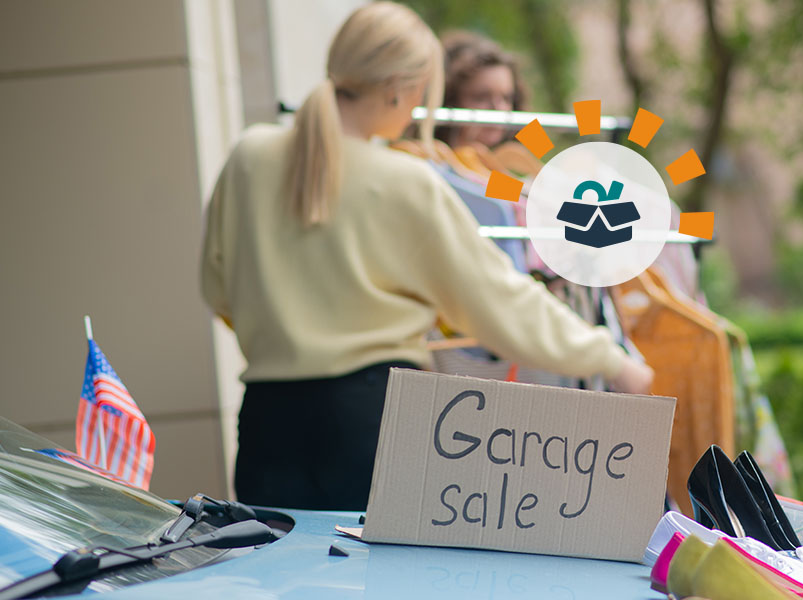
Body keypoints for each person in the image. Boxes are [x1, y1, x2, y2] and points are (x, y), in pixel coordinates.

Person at [199, 2, 652, 512]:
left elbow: (216, 288)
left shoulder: (247, 157)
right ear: (399, 87)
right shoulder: (406, 182)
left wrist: (286, 330)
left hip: (266, 420)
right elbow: (497, 301)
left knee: (279, 585)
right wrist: (611, 360)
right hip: (374, 421)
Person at [434, 30, 527, 148]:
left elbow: (549, 154)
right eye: (481, 98)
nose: (498, 108)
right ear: (450, 100)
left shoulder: (529, 141)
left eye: (507, 98)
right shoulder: (423, 162)